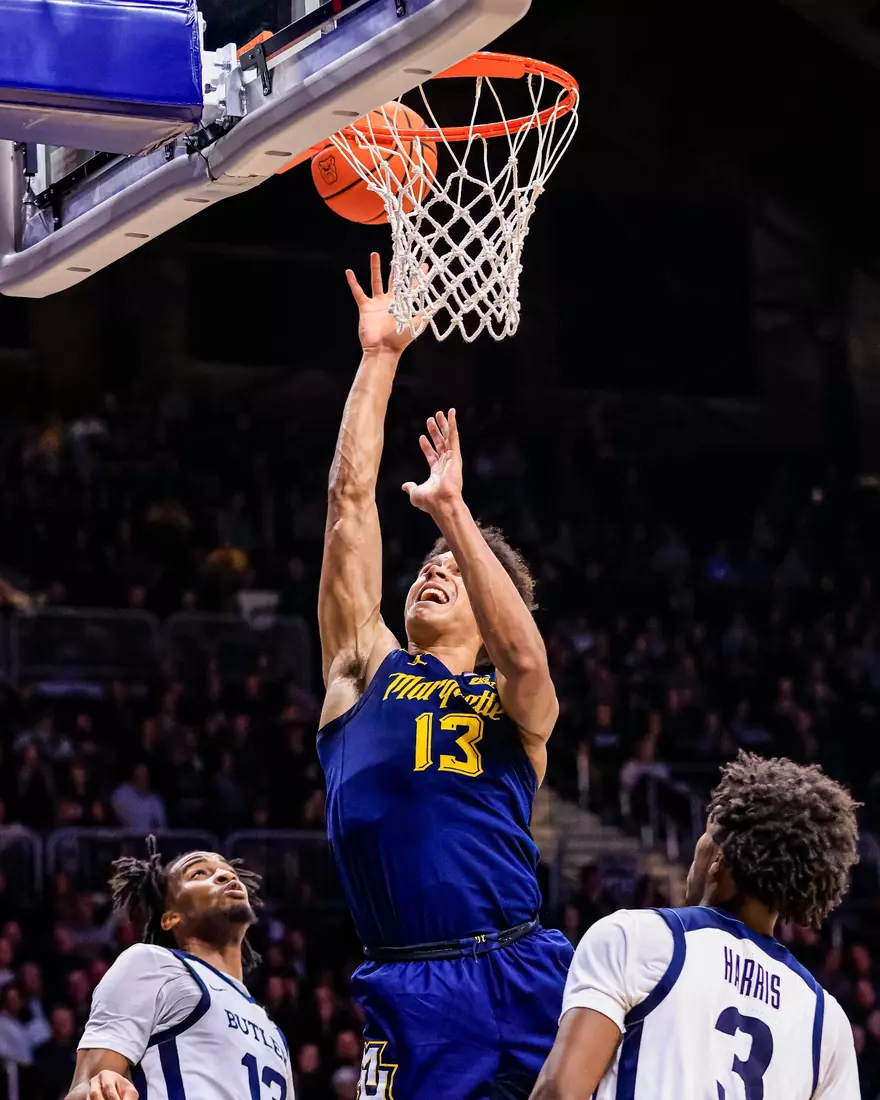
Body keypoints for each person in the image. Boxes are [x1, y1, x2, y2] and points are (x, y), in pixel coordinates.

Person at [317, 254, 572, 1099]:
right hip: (412, 981)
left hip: (525, 963)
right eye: (430, 561)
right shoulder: (364, 666)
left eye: (456, 571)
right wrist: (378, 360)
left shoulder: (514, 705)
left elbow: (527, 657)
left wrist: (455, 516)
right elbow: (349, 505)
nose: (434, 569)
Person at [531, 752, 861, 1099]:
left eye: (705, 835)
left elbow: (559, 1092)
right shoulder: (826, 1021)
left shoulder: (637, 938)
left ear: (719, 858)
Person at [64, 837, 293, 1100]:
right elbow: (84, 1088)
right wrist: (100, 1088)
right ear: (171, 918)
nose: (225, 875)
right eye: (199, 873)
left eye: (229, 871)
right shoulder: (152, 964)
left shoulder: (273, 1033)